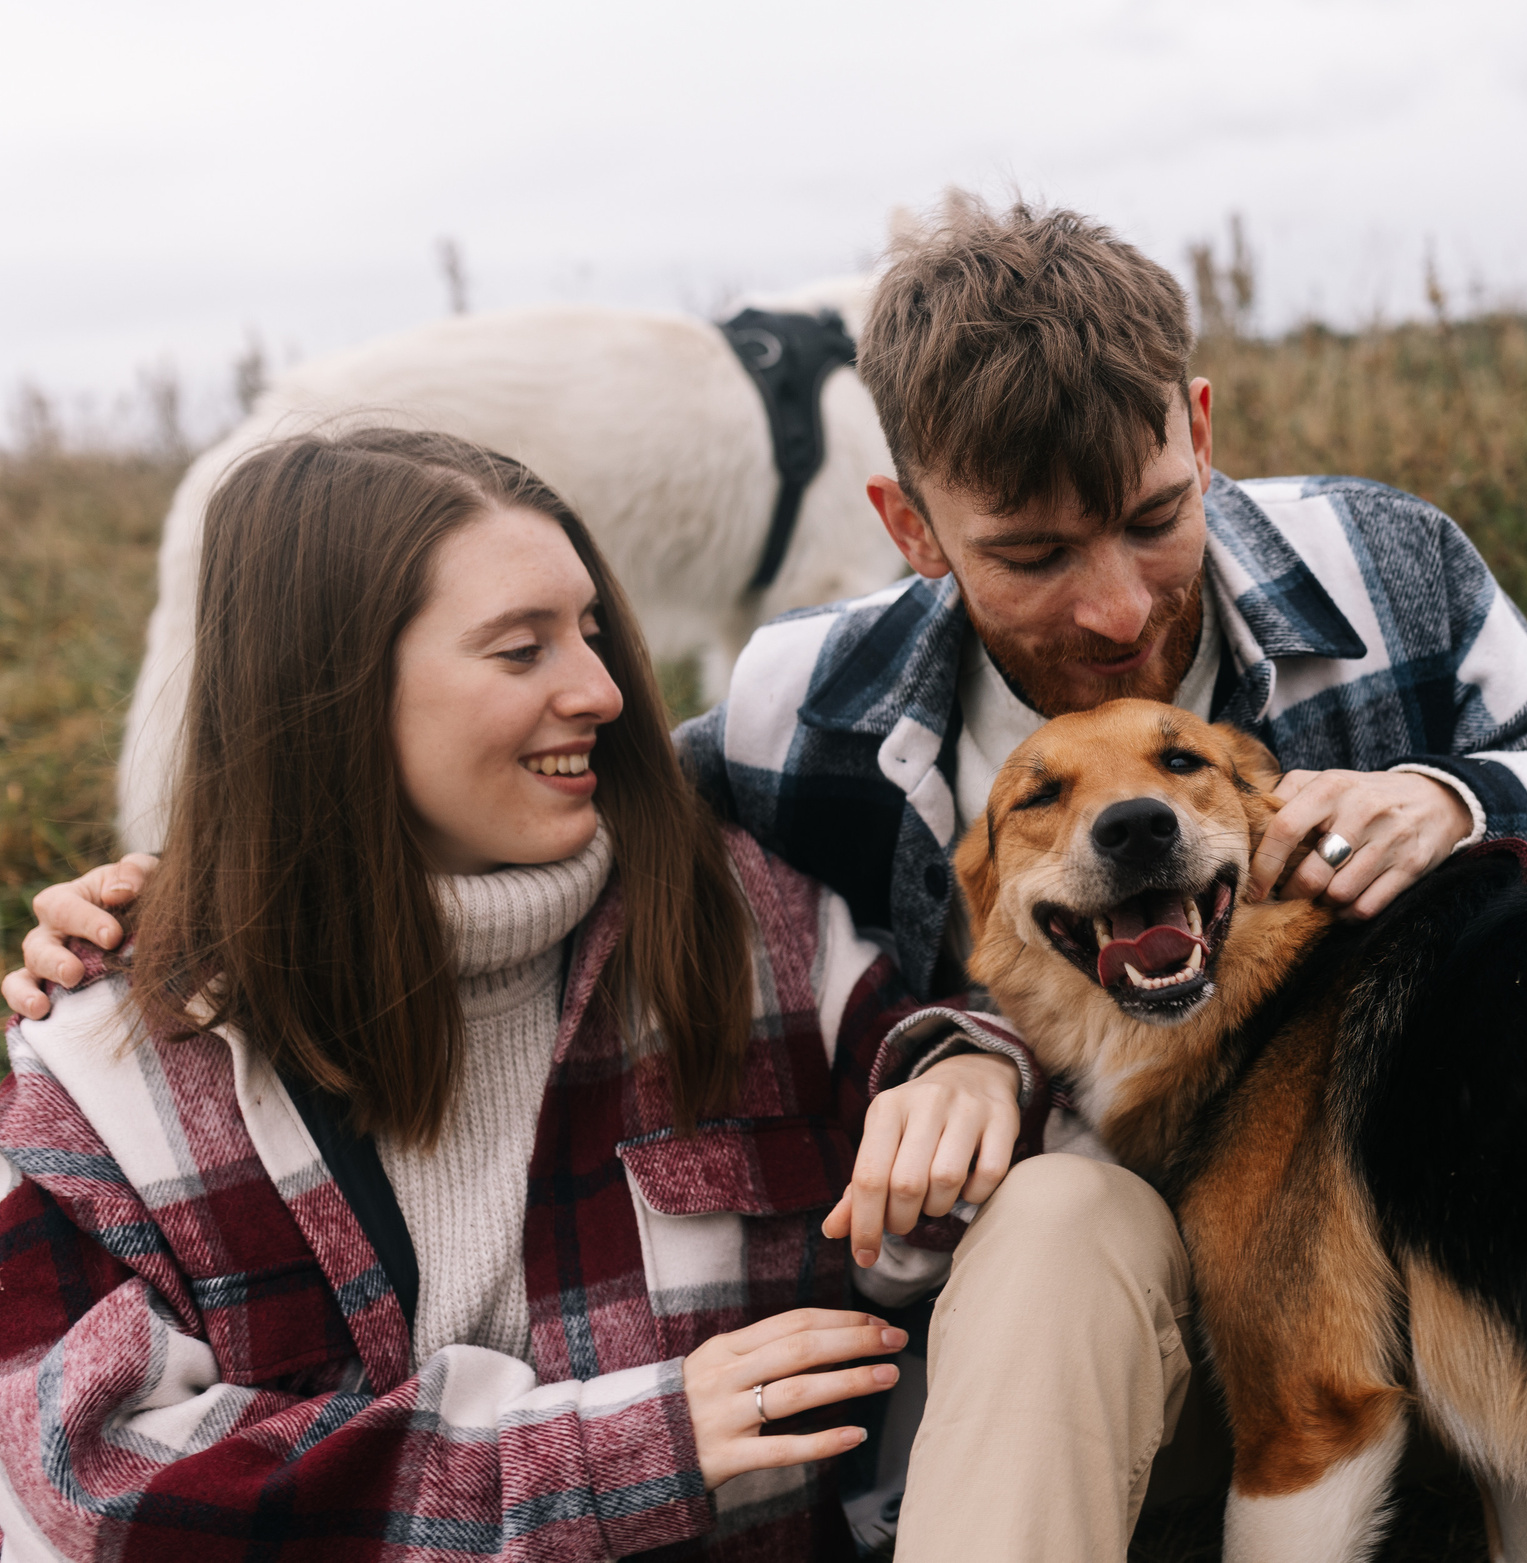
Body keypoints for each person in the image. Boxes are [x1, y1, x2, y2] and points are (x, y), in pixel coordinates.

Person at [11, 198, 1527, 1559]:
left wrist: (1453, 802)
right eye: (1031, 555)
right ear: (907, 522)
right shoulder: (800, 710)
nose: (1114, 609)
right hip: (1121, 1314)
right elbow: (583, 805)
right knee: (1081, 1207)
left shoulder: (1382, 573)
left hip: (1423, 1253)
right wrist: (203, 879)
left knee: (1080, 1208)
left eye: (1158, 517)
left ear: (1198, 426)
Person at [0, 429, 916, 1561]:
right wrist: (617, 1454)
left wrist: (970, 1063)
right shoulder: (109, 1061)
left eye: (588, 632)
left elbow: (961, 1184)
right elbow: (99, 1484)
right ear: (333, 692)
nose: (605, 689)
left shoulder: (747, 924)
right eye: (521, 650)